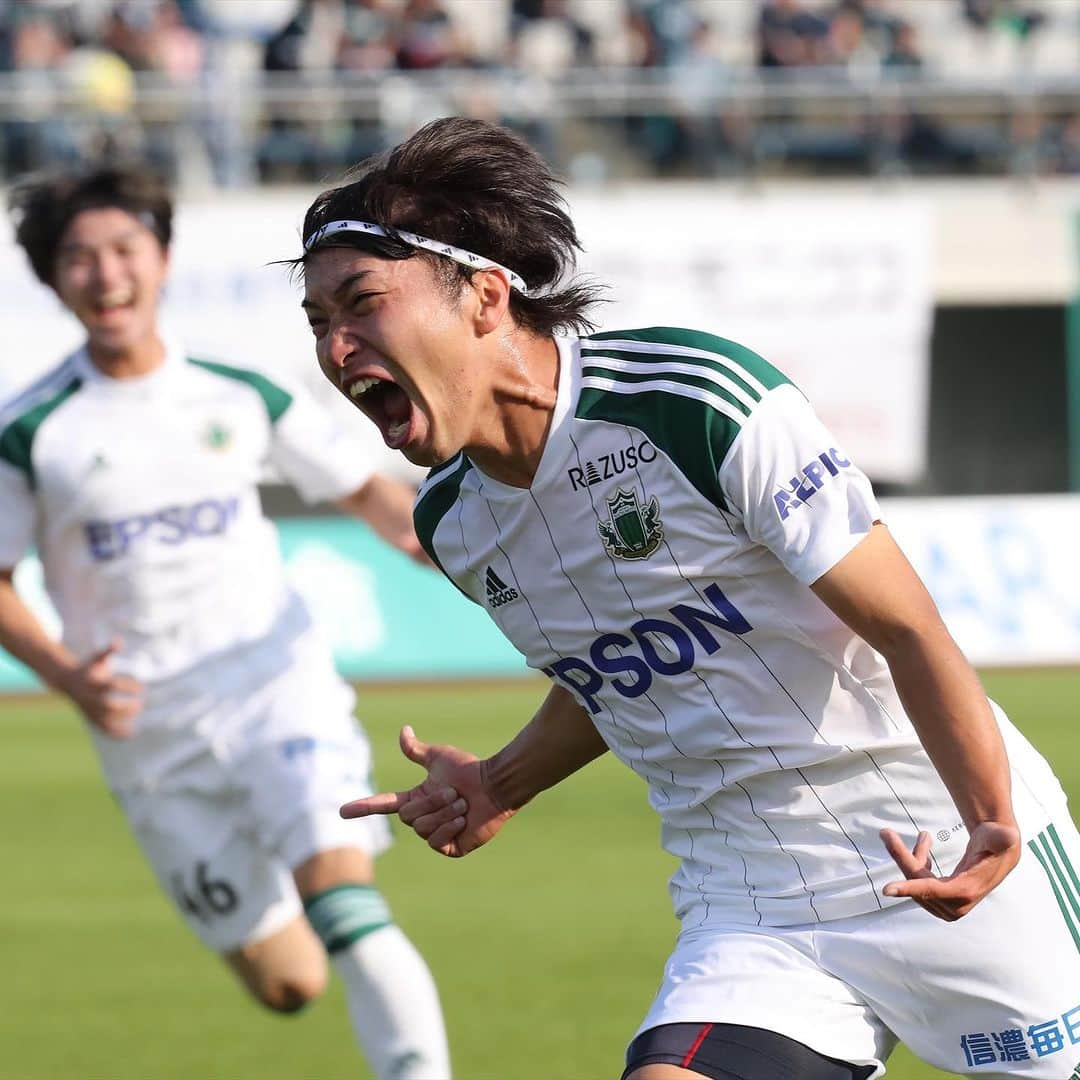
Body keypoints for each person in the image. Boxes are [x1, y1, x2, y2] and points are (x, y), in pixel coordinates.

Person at [293, 117, 1080, 1080]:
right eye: (318, 323)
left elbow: (906, 625)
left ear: (487, 296)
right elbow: (618, 672)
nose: (336, 348)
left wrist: (990, 814)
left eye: (361, 304)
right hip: (754, 907)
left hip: (941, 845)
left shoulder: (691, 401)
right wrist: (503, 781)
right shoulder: (455, 523)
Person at [0, 165, 451, 1080]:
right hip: (149, 732)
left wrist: (463, 553)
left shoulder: (239, 389)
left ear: (162, 258)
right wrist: (70, 678)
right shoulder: (31, 429)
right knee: (289, 984)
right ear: (52, 280)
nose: (106, 273)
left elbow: (373, 494)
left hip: (274, 688)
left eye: (125, 248)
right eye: (78, 257)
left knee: (347, 910)